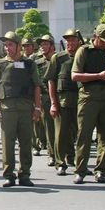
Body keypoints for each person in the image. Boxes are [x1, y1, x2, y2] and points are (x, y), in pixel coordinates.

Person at [71, 24, 105, 184]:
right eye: (103, 40)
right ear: (95, 37)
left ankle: (101, 170)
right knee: (84, 135)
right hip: (89, 98)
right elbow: (75, 75)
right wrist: (98, 76)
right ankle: (80, 170)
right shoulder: (84, 52)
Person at [0, 31, 42, 187]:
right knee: (8, 143)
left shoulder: (29, 64)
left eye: (10, 45)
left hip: (26, 108)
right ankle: (9, 175)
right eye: (5, 45)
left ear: (19, 46)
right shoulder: (1, 64)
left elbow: (36, 87)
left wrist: (37, 107)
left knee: (26, 142)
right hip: (7, 109)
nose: (7, 48)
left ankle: (24, 174)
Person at [46, 29, 82, 175]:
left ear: (79, 42)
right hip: (64, 101)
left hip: (82, 101)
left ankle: (79, 162)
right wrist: (53, 103)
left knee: (81, 134)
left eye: (73, 40)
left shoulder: (84, 57)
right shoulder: (58, 58)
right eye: (68, 40)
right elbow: (51, 81)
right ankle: (60, 162)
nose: (70, 43)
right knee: (61, 134)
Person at [35, 34, 57, 166]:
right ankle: (52, 154)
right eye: (41, 45)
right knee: (49, 128)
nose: (42, 47)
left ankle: (67, 153)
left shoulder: (59, 60)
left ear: (52, 46)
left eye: (45, 44)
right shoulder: (37, 63)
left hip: (59, 96)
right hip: (44, 97)